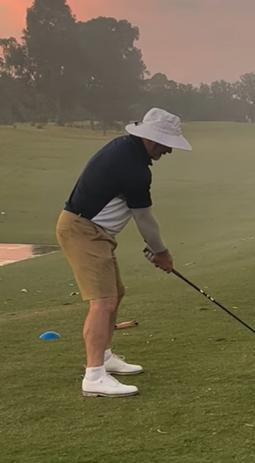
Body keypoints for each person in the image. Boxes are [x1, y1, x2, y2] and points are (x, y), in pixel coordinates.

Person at [55, 107, 192, 397]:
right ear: (154, 140)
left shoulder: (125, 149)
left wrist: (158, 252)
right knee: (102, 302)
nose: (169, 151)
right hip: (83, 231)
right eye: (167, 145)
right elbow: (144, 219)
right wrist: (162, 253)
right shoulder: (134, 168)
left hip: (94, 232)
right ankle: (94, 376)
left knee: (116, 294)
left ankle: (104, 357)